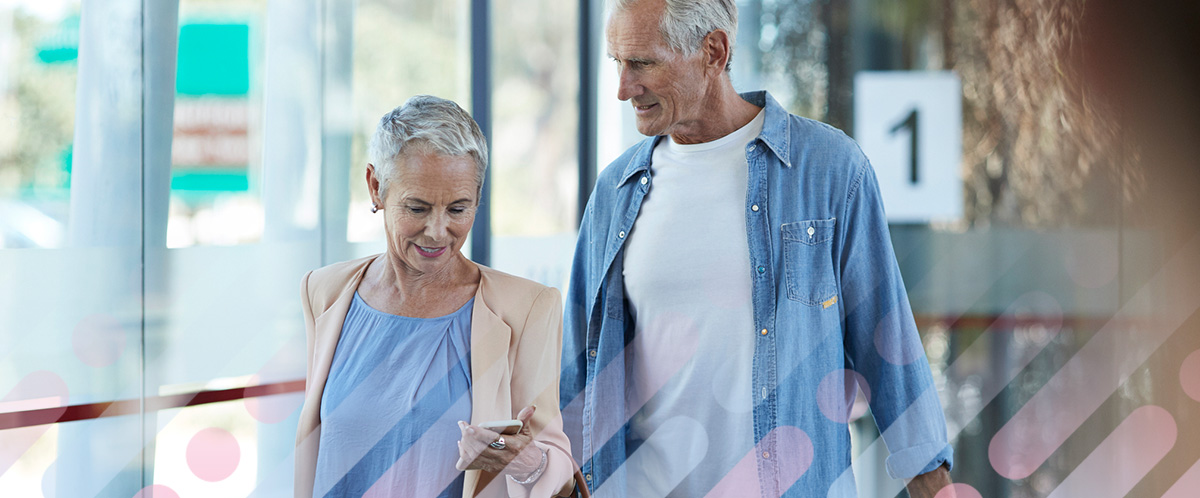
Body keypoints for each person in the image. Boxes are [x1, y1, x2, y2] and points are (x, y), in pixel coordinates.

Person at [559, 0, 954, 496]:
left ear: (714, 51)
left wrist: (934, 483)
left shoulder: (829, 170)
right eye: (618, 63)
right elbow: (577, 369)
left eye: (643, 63)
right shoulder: (615, 191)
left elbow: (886, 338)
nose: (623, 88)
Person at [295, 96, 582, 498]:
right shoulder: (324, 293)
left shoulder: (526, 309)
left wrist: (518, 458)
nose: (437, 231)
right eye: (417, 207)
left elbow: (557, 473)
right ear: (376, 187)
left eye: (458, 209)